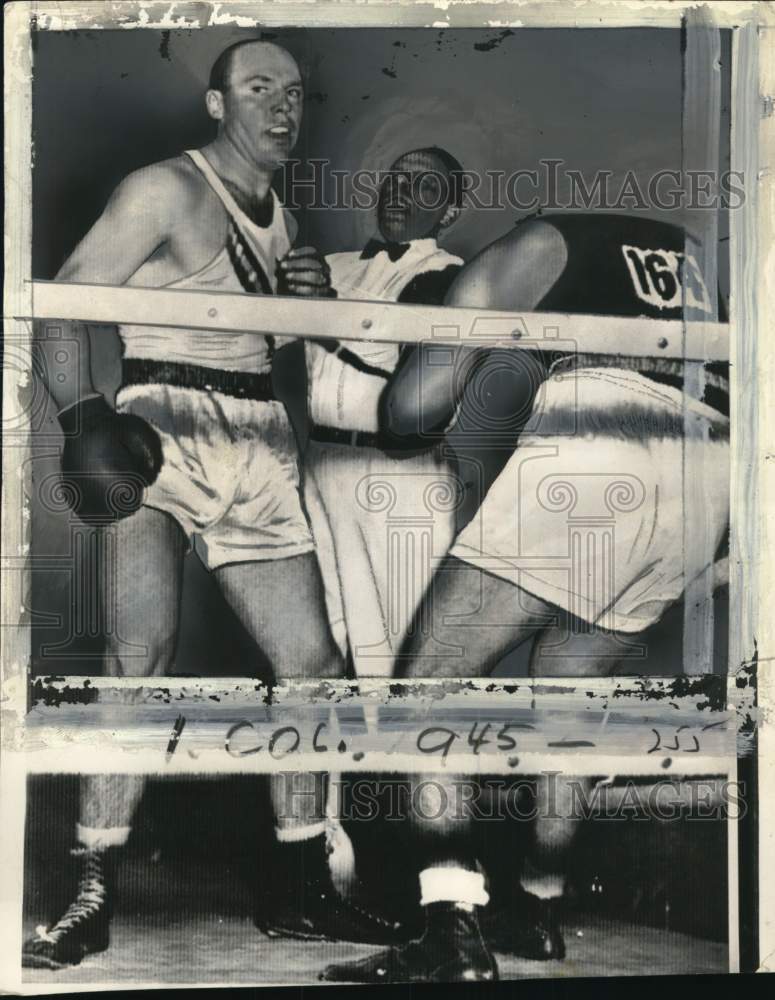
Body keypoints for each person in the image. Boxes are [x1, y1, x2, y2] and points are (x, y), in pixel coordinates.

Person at [24, 38, 397, 970]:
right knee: (140, 652)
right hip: (164, 423)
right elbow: (55, 302)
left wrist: (302, 305)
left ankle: (300, 886)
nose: (281, 107)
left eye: (294, 93)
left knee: (309, 665)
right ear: (215, 102)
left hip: (260, 438)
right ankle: (93, 882)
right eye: (258, 88)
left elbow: (256, 340)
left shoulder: (281, 215)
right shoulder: (166, 188)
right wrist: (81, 417)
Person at [320, 211, 730, 982]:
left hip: (602, 444)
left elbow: (407, 411)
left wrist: (438, 327)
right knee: (569, 688)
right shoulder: (688, 255)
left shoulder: (530, 244)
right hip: (709, 466)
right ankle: (537, 911)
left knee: (427, 683)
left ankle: (449, 928)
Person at [303, 146, 466, 677]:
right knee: (325, 644)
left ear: (449, 212)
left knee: (398, 647)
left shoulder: (452, 277)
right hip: (319, 462)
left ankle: (410, 755)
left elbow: (413, 382)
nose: (400, 190)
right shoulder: (330, 266)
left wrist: (323, 314)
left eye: (423, 185)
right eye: (395, 179)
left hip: (401, 478)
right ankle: (341, 760)